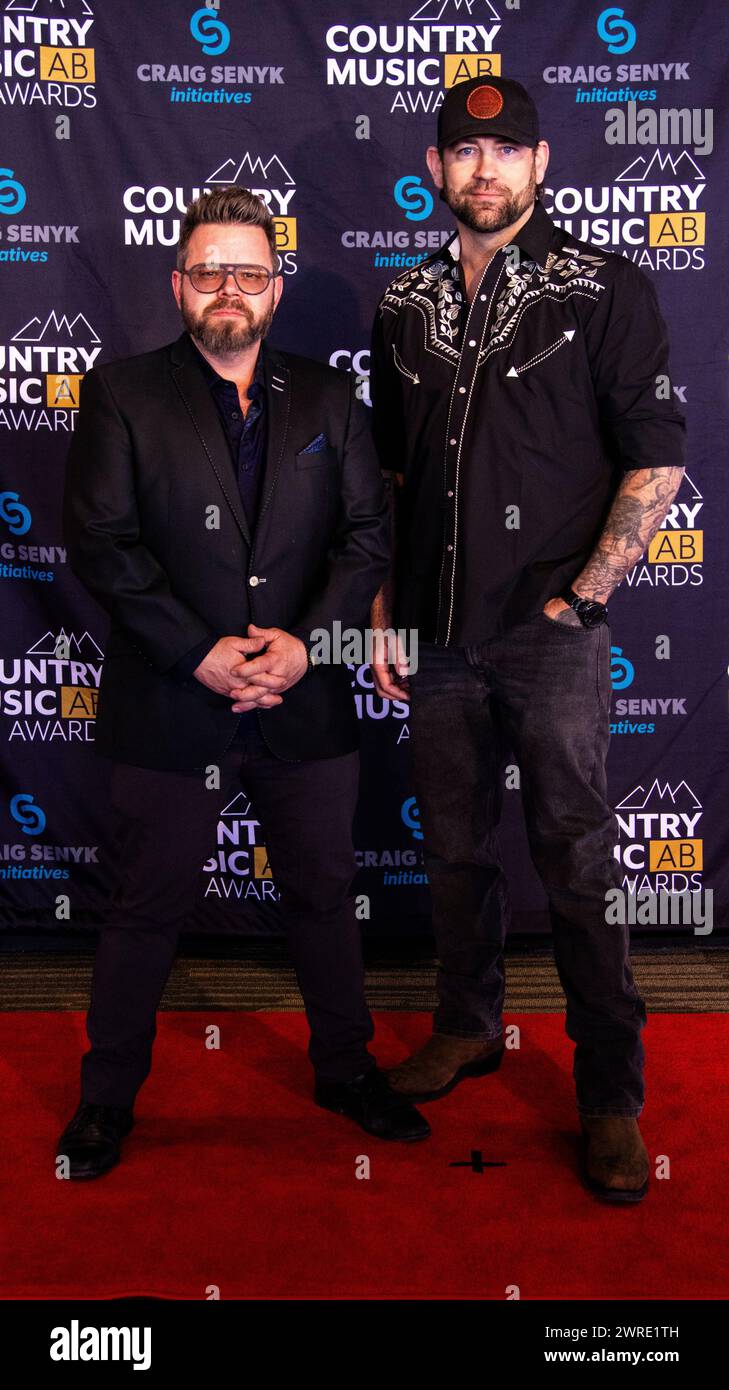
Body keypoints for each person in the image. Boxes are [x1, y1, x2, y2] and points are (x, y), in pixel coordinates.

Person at [59, 186, 429, 1179]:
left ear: (276, 286)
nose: (230, 287)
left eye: (249, 271)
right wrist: (199, 651)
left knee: (324, 891)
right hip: (170, 698)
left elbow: (364, 539)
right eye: (210, 270)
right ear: (179, 285)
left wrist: (306, 646)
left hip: (303, 696)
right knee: (144, 904)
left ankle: (346, 1070)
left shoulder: (327, 398)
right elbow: (102, 543)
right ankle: (105, 1101)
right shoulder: (123, 392)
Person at [369, 76, 686, 1203]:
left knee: (579, 864)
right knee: (453, 853)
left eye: (506, 151)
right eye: (466, 152)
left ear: (541, 164)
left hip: (551, 634)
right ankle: (469, 1027)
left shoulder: (603, 288)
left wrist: (584, 599)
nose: (485, 170)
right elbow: (395, 477)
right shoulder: (402, 301)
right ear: (436, 166)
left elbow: (656, 459)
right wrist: (382, 610)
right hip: (440, 638)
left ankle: (610, 1092)